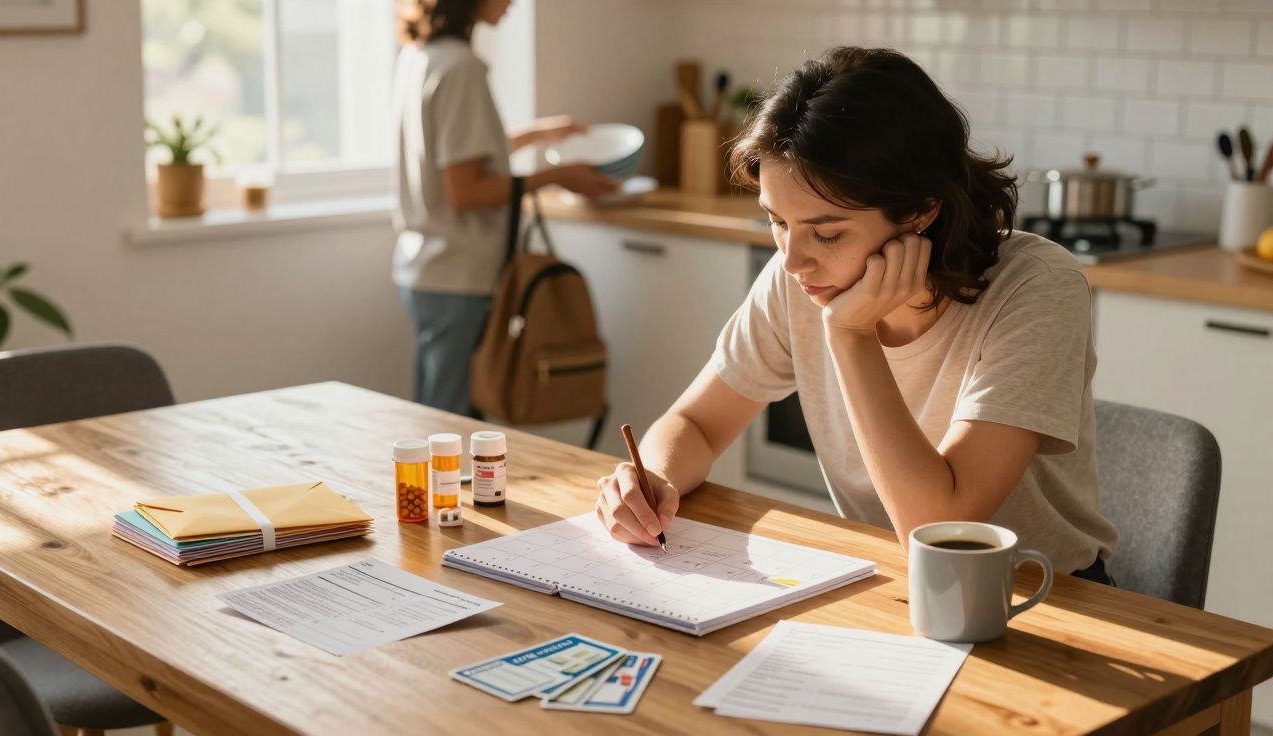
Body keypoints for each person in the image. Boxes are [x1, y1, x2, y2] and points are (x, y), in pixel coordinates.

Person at [594, 46, 1118, 585]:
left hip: (1046, 599)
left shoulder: (1035, 287)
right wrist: (653, 479)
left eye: (828, 232)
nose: (793, 260)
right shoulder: (800, 275)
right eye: (777, 221)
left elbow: (939, 527)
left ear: (919, 209)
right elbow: (696, 424)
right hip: (886, 579)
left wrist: (850, 334)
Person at [391, 0, 614, 416]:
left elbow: (458, 157)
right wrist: (557, 175)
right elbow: (467, 191)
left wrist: (536, 135)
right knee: (450, 421)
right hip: (458, 273)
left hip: (424, 265)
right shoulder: (462, 68)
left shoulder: (419, 56)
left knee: (433, 411)